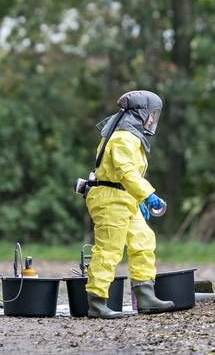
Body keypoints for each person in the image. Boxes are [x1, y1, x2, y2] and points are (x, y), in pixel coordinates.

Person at [84, 90, 175, 318]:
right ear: (141, 114)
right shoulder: (123, 137)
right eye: (151, 114)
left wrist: (137, 198)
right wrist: (147, 195)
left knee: (143, 240)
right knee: (108, 250)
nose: (153, 119)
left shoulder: (130, 136)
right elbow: (127, 173)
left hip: (124, 198)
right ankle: (97, 302)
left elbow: (128, 176)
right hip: (110, 200)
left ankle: (145, 296)